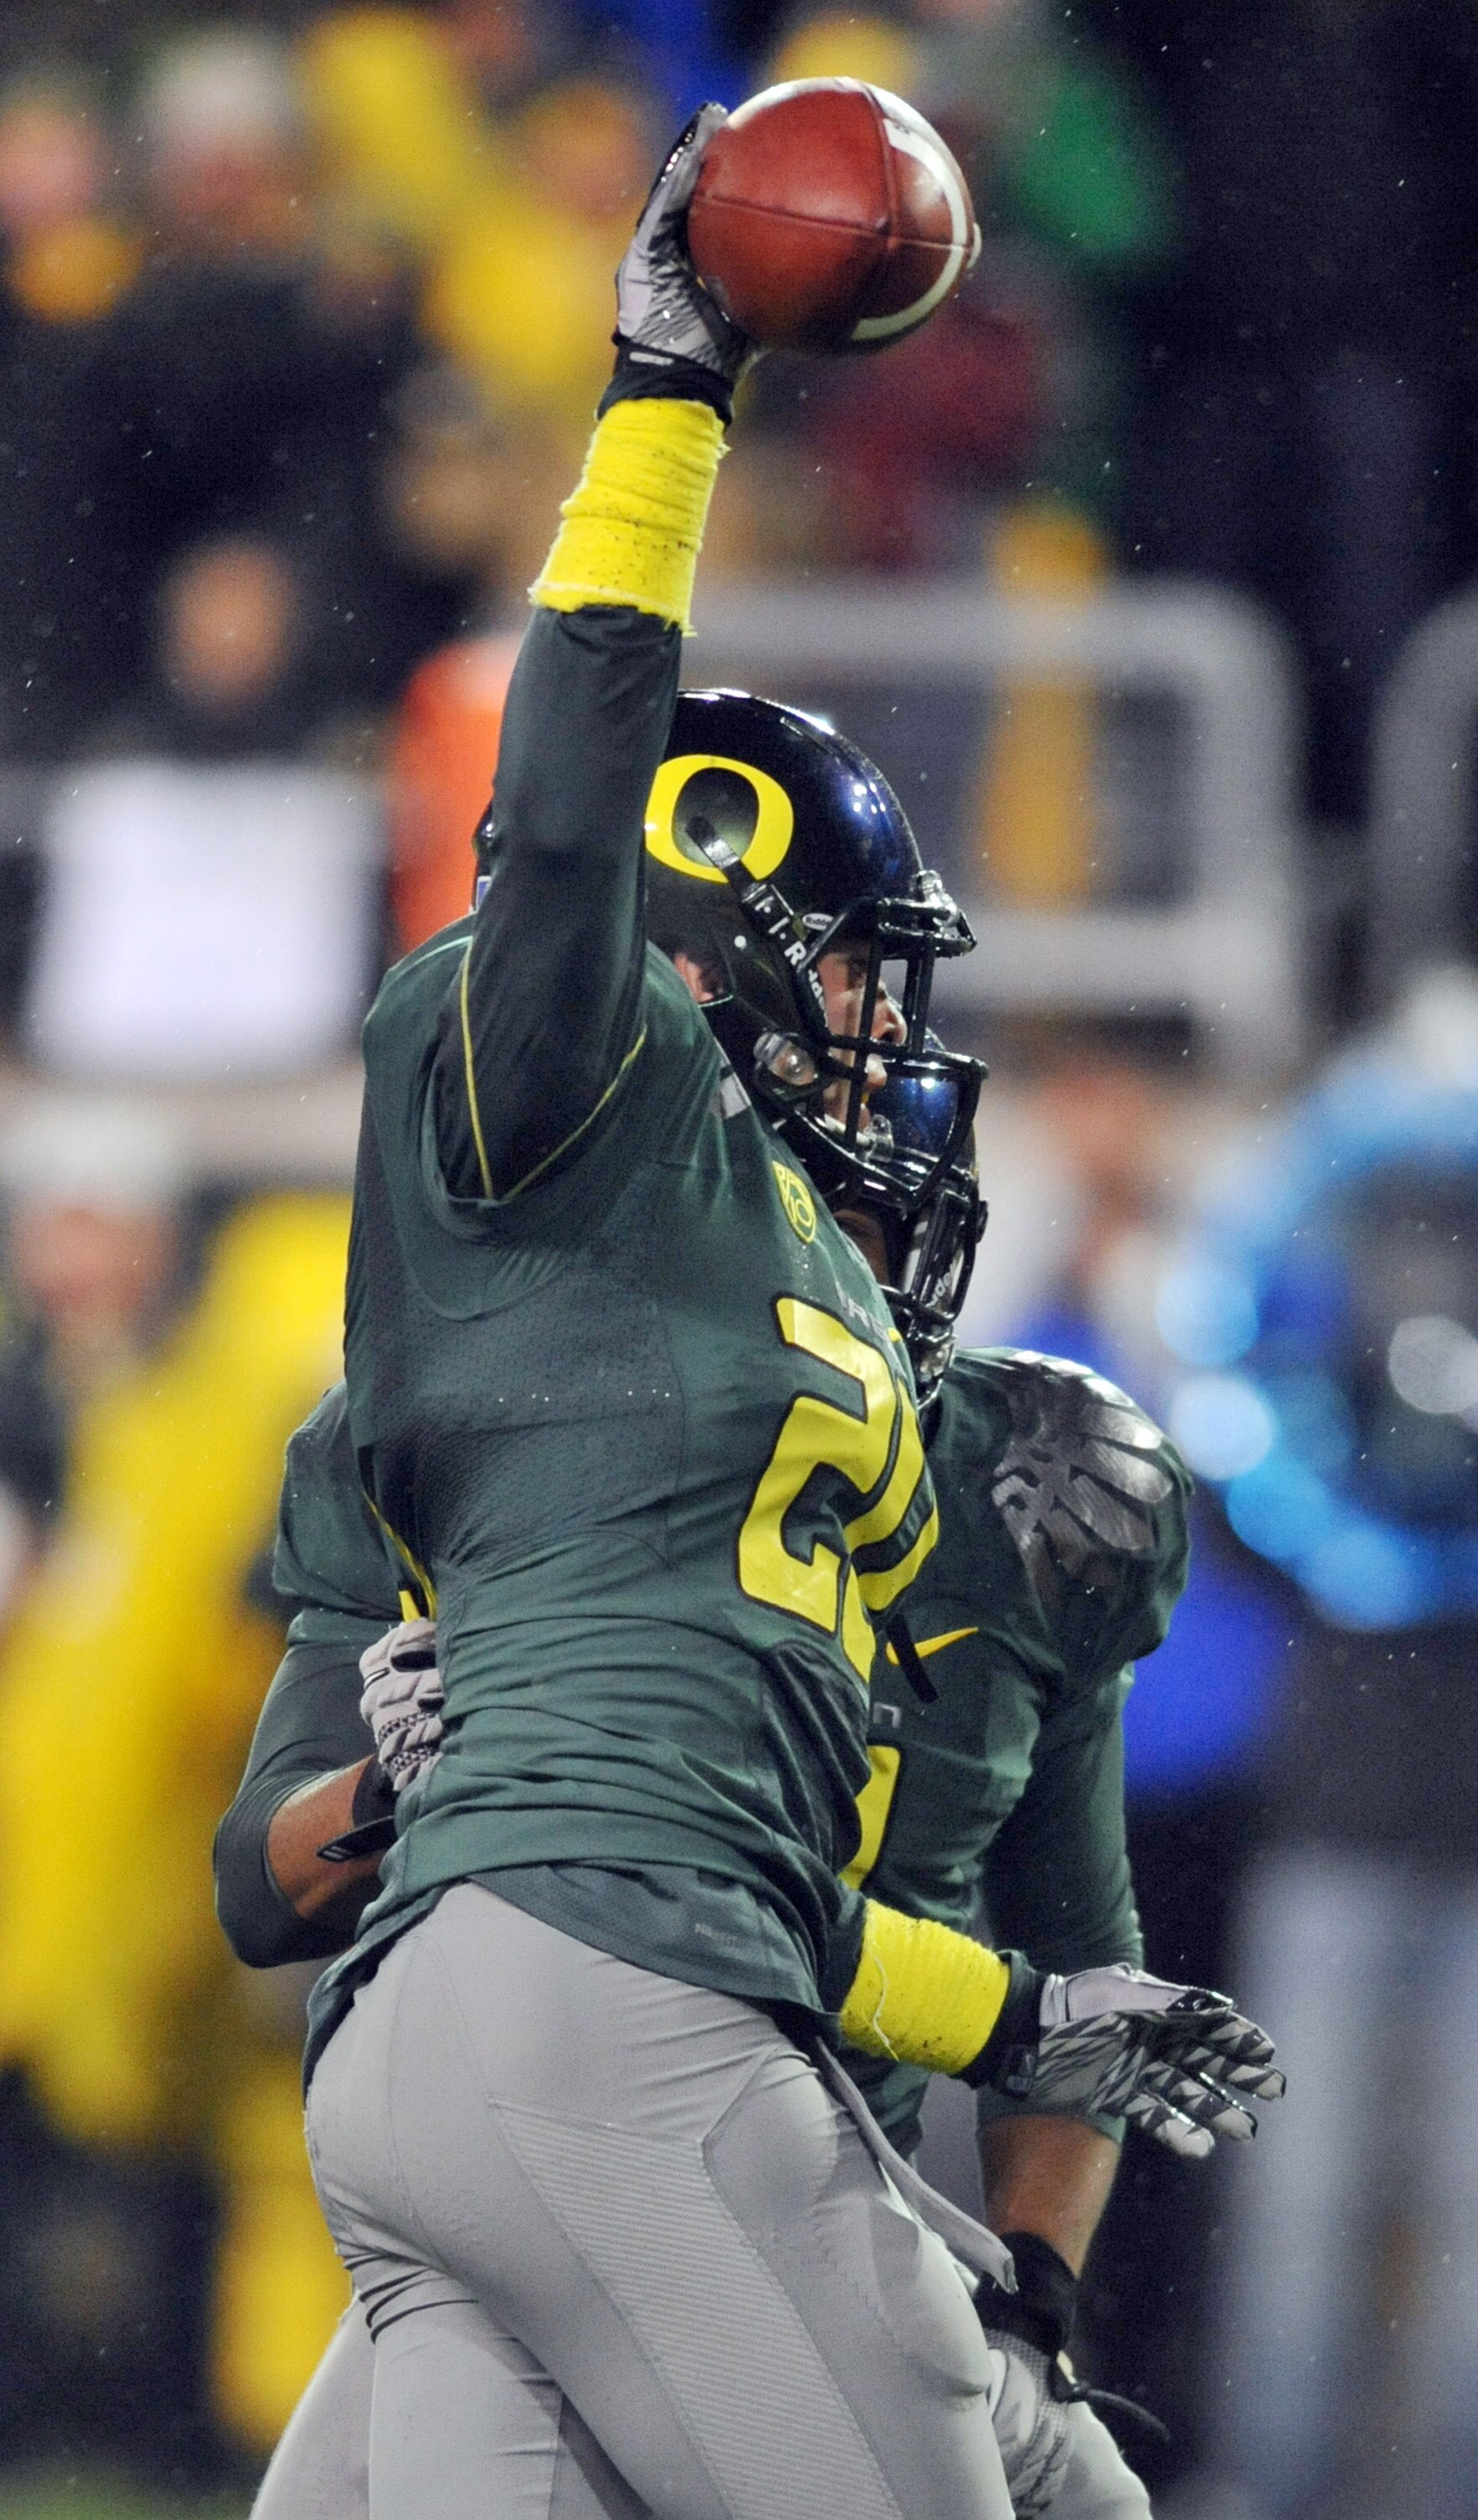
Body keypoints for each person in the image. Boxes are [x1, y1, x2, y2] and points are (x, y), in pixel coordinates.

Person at [242, 110, 1276, 2520]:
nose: (879, 1028)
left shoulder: (845, 1338)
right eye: (833, 968)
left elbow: (814, 1900)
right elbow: (568, 821)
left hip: (551, 2044)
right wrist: (666, 398)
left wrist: (1033, 2023)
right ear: (696, 980)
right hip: (611, 2018)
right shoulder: (569, 1128)